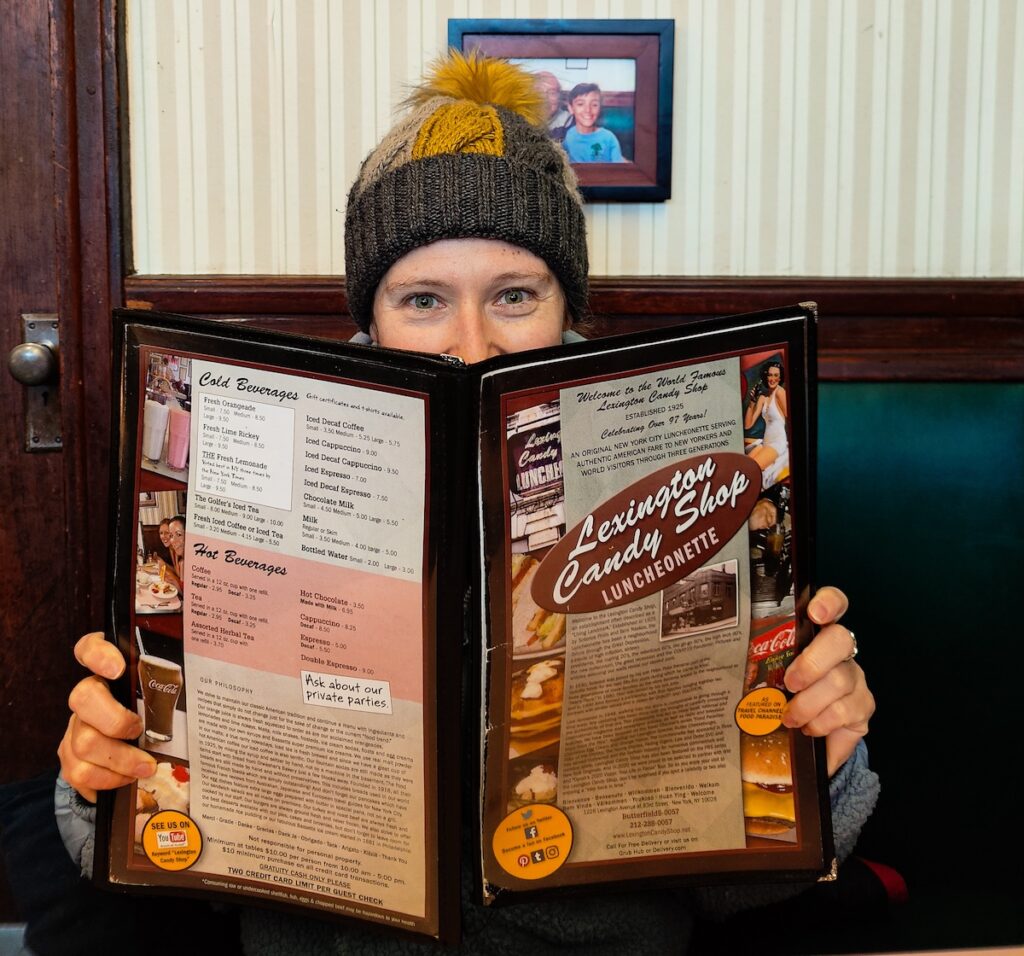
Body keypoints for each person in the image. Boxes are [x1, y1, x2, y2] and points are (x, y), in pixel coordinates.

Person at [55, 52, 876, 954]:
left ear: (570, 316)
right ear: (369, 325)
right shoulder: (229, 487)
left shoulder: (699, 477)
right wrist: (108, 774)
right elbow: (166, 855)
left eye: (515, 295)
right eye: (424, 299)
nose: (471, 346)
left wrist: (815, 754)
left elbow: (743, 886)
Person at [745, 359, 789, 487]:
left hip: (777, 444)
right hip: (765, 443)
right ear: (766, 376)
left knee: (751, 472)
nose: (772, 379)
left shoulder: (780, 393)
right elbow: (748, 424)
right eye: (770, 375)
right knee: (742, 468)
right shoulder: (763, 398)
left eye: (776, 375)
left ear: (780, 378)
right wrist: (752, 401)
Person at [562, 82, 625, 163]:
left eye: (594, 105)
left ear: (600, 108)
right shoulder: (568, 136)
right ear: (571, 108)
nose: (588, 110)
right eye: (580, 104)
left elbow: (620, 169)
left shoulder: (609, 138)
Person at [533, 69, 570, 140]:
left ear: (559, 96)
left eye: (552, 93)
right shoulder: (519, 119)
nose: (544, 99)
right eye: (539, 92)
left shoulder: (569, 122)